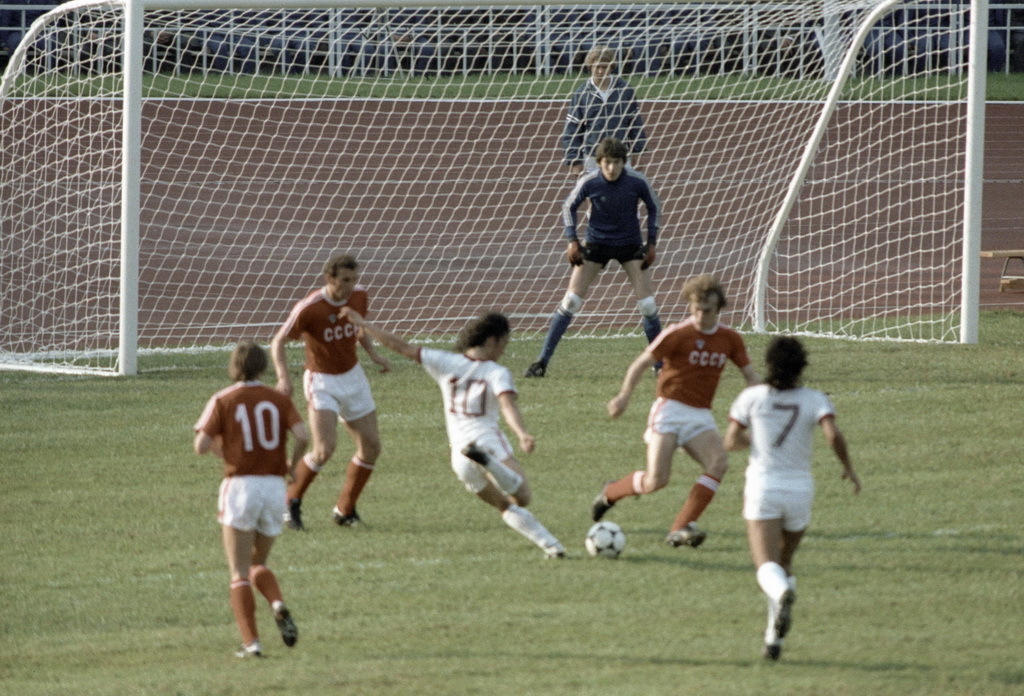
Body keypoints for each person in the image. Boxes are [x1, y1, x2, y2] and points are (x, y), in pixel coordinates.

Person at [341, 309, 566, 559]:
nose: (503, 350)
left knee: (504, 505)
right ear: (491, 341)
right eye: (503, 343)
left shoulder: (445, 362)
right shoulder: (496, 372)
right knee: (522, 496)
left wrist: (364, 324)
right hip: (486, 441)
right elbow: (507, 405)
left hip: (459, 456)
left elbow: (400, 346)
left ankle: (552, 546)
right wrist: (522, 433)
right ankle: (491, 464)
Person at [593, 274, 760, 547]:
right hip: (669, 410)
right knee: (656, 481)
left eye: (706, 310)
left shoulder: (730, 339)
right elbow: (641, 363)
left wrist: (770, 405)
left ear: (719, 310)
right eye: (695, 308)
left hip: (699, 416)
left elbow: (751, 377)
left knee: (719, 463)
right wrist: (623, 396)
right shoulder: (678, 334)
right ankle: (611, 491)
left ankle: (680, 528)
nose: (699, 315)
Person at [723, 336, 860, 661]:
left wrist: (758, 441)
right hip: (800, 492)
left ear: (769, 364)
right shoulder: (814, 399)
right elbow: (832, 434)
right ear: (802, 367)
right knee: (785, 563)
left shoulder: (751, 397)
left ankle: (782, 594)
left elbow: (730, 440)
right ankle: (774, 641)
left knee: (766, 566)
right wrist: (849, 468)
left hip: (764, 489)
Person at [193, 340, 310, 658]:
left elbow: (201, 445)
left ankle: (251, 643)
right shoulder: (278, 399)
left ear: (233, 367)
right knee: (258, 562)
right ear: (263, 367)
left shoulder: (222, 399)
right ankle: (277, 602)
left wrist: (225, 450)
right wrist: (292, 466)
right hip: (274, 488)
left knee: (239, 571)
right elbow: (303, 436)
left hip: (241, 487)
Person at [524, 137, 662, 378]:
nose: (612, 168)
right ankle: (542, 362)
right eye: (607, 162)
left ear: (624, 162)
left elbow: (654, 206)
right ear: (599, 163)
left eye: (617, 162)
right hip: (596, 245)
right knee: (570, 302)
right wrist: (572, 241)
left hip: (630, 246)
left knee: (648, 305)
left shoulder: (637, 181)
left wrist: (651, 243)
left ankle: (660, 366)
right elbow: (568, 206)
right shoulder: (589, 181)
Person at [271, 253, 391, 530]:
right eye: (345, 280)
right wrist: (283, 379)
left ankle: (345, 510)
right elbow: (278, 341)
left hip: (354, 378)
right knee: (324, 449)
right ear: (330, 278)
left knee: (371, 447)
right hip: (322, 381)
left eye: (354, 279)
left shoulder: (359, 296)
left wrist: (374, 355)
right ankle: (291, 501)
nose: (351, 286)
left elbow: (358, 329)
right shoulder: (310, 307)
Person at [560, 45, 648, 175]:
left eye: (605, 67)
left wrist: (638, 153)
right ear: (590, 66)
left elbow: (635, 124)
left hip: (621, 156)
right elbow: (572, 131)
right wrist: (575, 162)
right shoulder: (582, 93)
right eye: (597, 67)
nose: (601, 71)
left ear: (611, 67)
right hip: (592, 158)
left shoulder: (624, 90)